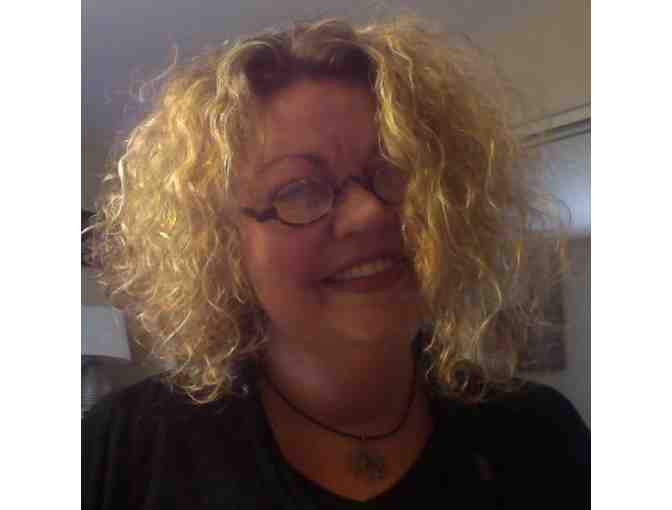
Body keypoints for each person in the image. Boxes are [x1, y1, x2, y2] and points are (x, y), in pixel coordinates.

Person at [83, 16, 588, 509]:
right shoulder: (122, 450)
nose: (370, 213)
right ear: (222, 244)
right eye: (298, 189)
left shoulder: (540, 433)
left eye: (395, 169)